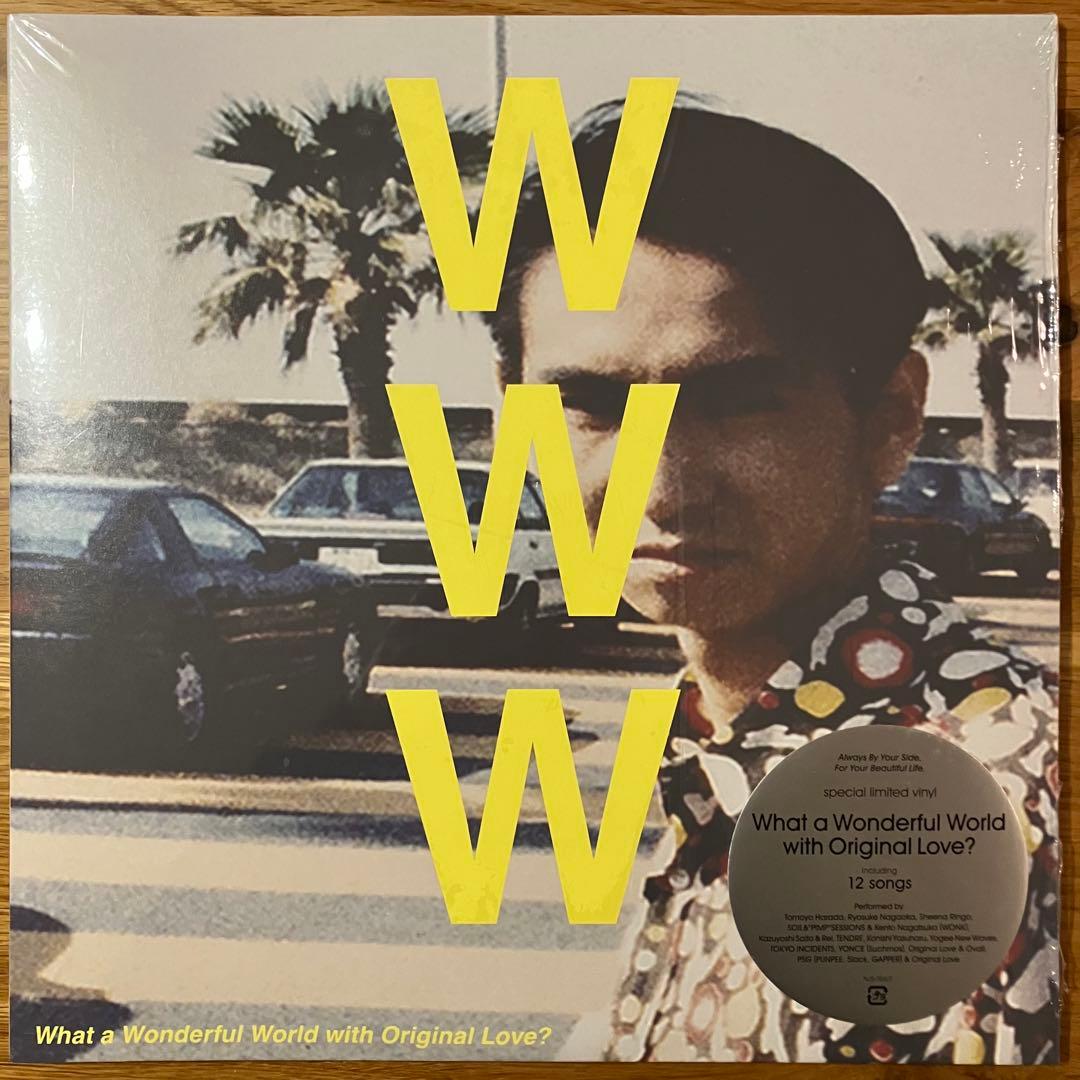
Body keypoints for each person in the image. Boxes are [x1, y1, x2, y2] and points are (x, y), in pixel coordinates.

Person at [483, 103, 1059, 1064]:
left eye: (738, 404)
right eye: (589, 406)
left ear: (890, 418)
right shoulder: (728, 749)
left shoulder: (985, 808)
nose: (659, 487)